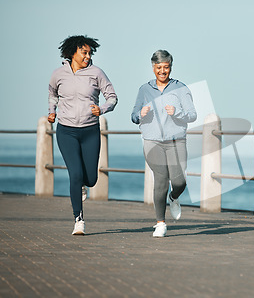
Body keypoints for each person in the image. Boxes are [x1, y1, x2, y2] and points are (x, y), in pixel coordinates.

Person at [48, 35, 118, 235]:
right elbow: (52, 93)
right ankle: (78, 219)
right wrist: (52, 111)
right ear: (72, 53)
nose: (88, 56)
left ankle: (83, 185)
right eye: (84, 52)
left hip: (90, 131)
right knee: (75, 174)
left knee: (91, 178)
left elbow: (112, 97)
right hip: (66, 131)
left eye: (89, 53)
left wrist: (102, 109)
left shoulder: (96, 73)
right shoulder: (58, 74)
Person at [131, 50, 197, 238]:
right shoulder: (144, 89)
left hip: (176, 141)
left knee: (179, 181)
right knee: (160, 180)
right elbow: (133, 115)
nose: (162, 71)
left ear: (170, 67)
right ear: (153, 68)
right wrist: (140, 115)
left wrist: (177, 112)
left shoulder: (181, 88)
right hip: (152, 142)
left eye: (165, 67)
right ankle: (160, 223)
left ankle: (174, 197)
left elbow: (192, 115)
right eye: (159, 67)